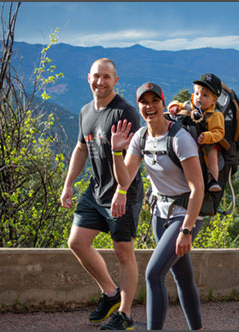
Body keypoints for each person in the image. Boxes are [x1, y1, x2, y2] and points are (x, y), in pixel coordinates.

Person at [111, 82, 204, 330]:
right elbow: (124, 180)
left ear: (163, 103)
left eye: (155, 101)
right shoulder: (141, 137)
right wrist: (116, 152)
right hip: (159, 214)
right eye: (144, 102)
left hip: (185, 214)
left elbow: (198, 188)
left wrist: (186, 229)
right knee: (182, 277)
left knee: (153, 274)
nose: (149, 107)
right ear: (138, 106)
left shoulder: (180, 139)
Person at [60, 58, 144, 330]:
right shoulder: (86, 111)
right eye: (97, 76)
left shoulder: (125, 112)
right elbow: (81, 149)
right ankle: (110, 293)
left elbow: (134, 157)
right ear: (88, 78)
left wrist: (122, 190)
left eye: (107, 77)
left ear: (115, 81)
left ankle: (125, 314)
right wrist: (68, 183)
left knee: (123, 252)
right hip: (96, 192)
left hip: (123, 192)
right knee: (77, 242)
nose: (101, 81)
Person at [167, 73, 228, 192]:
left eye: (205, 95)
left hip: (208, 142)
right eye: (197, 94)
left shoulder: (215, 115)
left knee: (212, 157)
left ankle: (212, 179)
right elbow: (177, 104)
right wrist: (174, 106)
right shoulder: (189, 106)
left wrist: (207, 136)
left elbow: (219, 133)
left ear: (214, 100)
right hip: (191, 136)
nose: (199, 98)